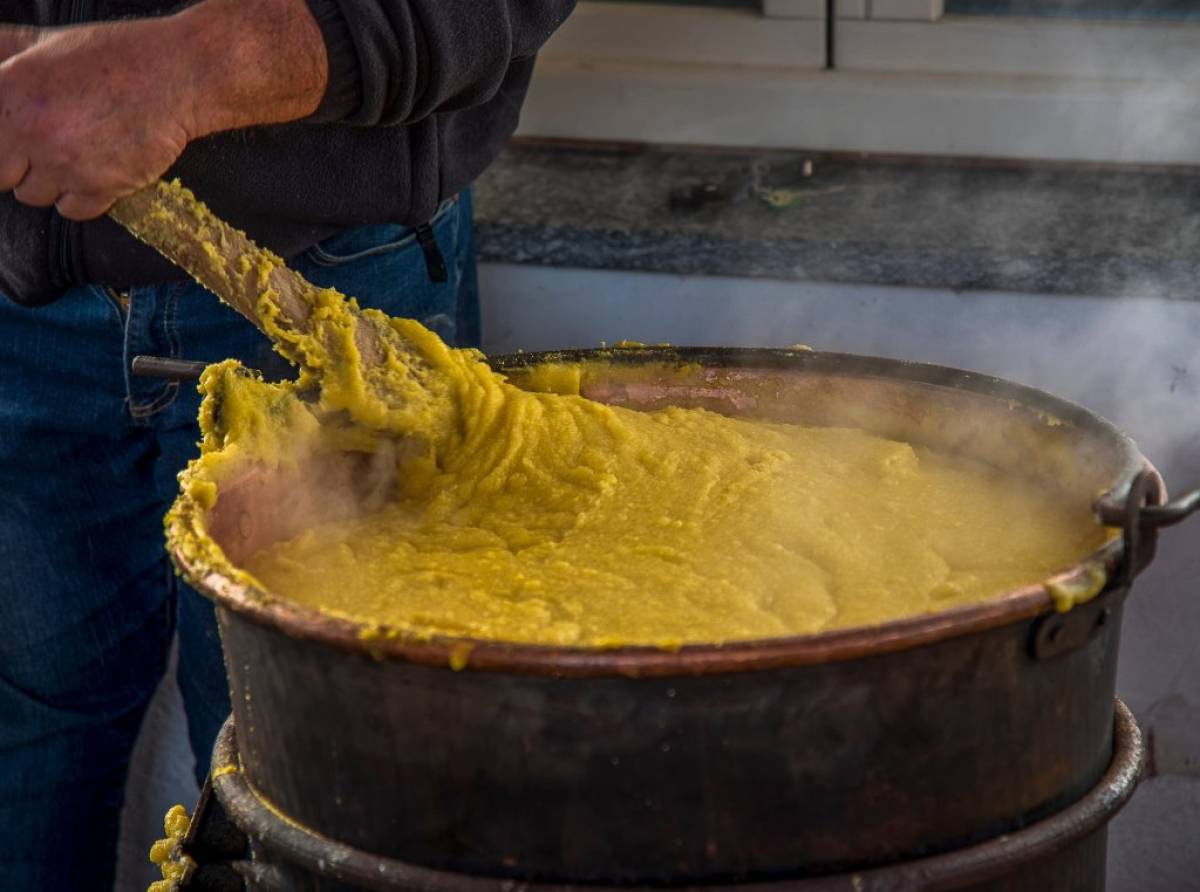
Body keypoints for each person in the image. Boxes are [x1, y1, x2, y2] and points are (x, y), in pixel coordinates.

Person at [0, 1, 577, 887]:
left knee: (312, 785)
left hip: (342, 282)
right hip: (16, 296)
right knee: (24, 733)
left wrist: (190, 69)